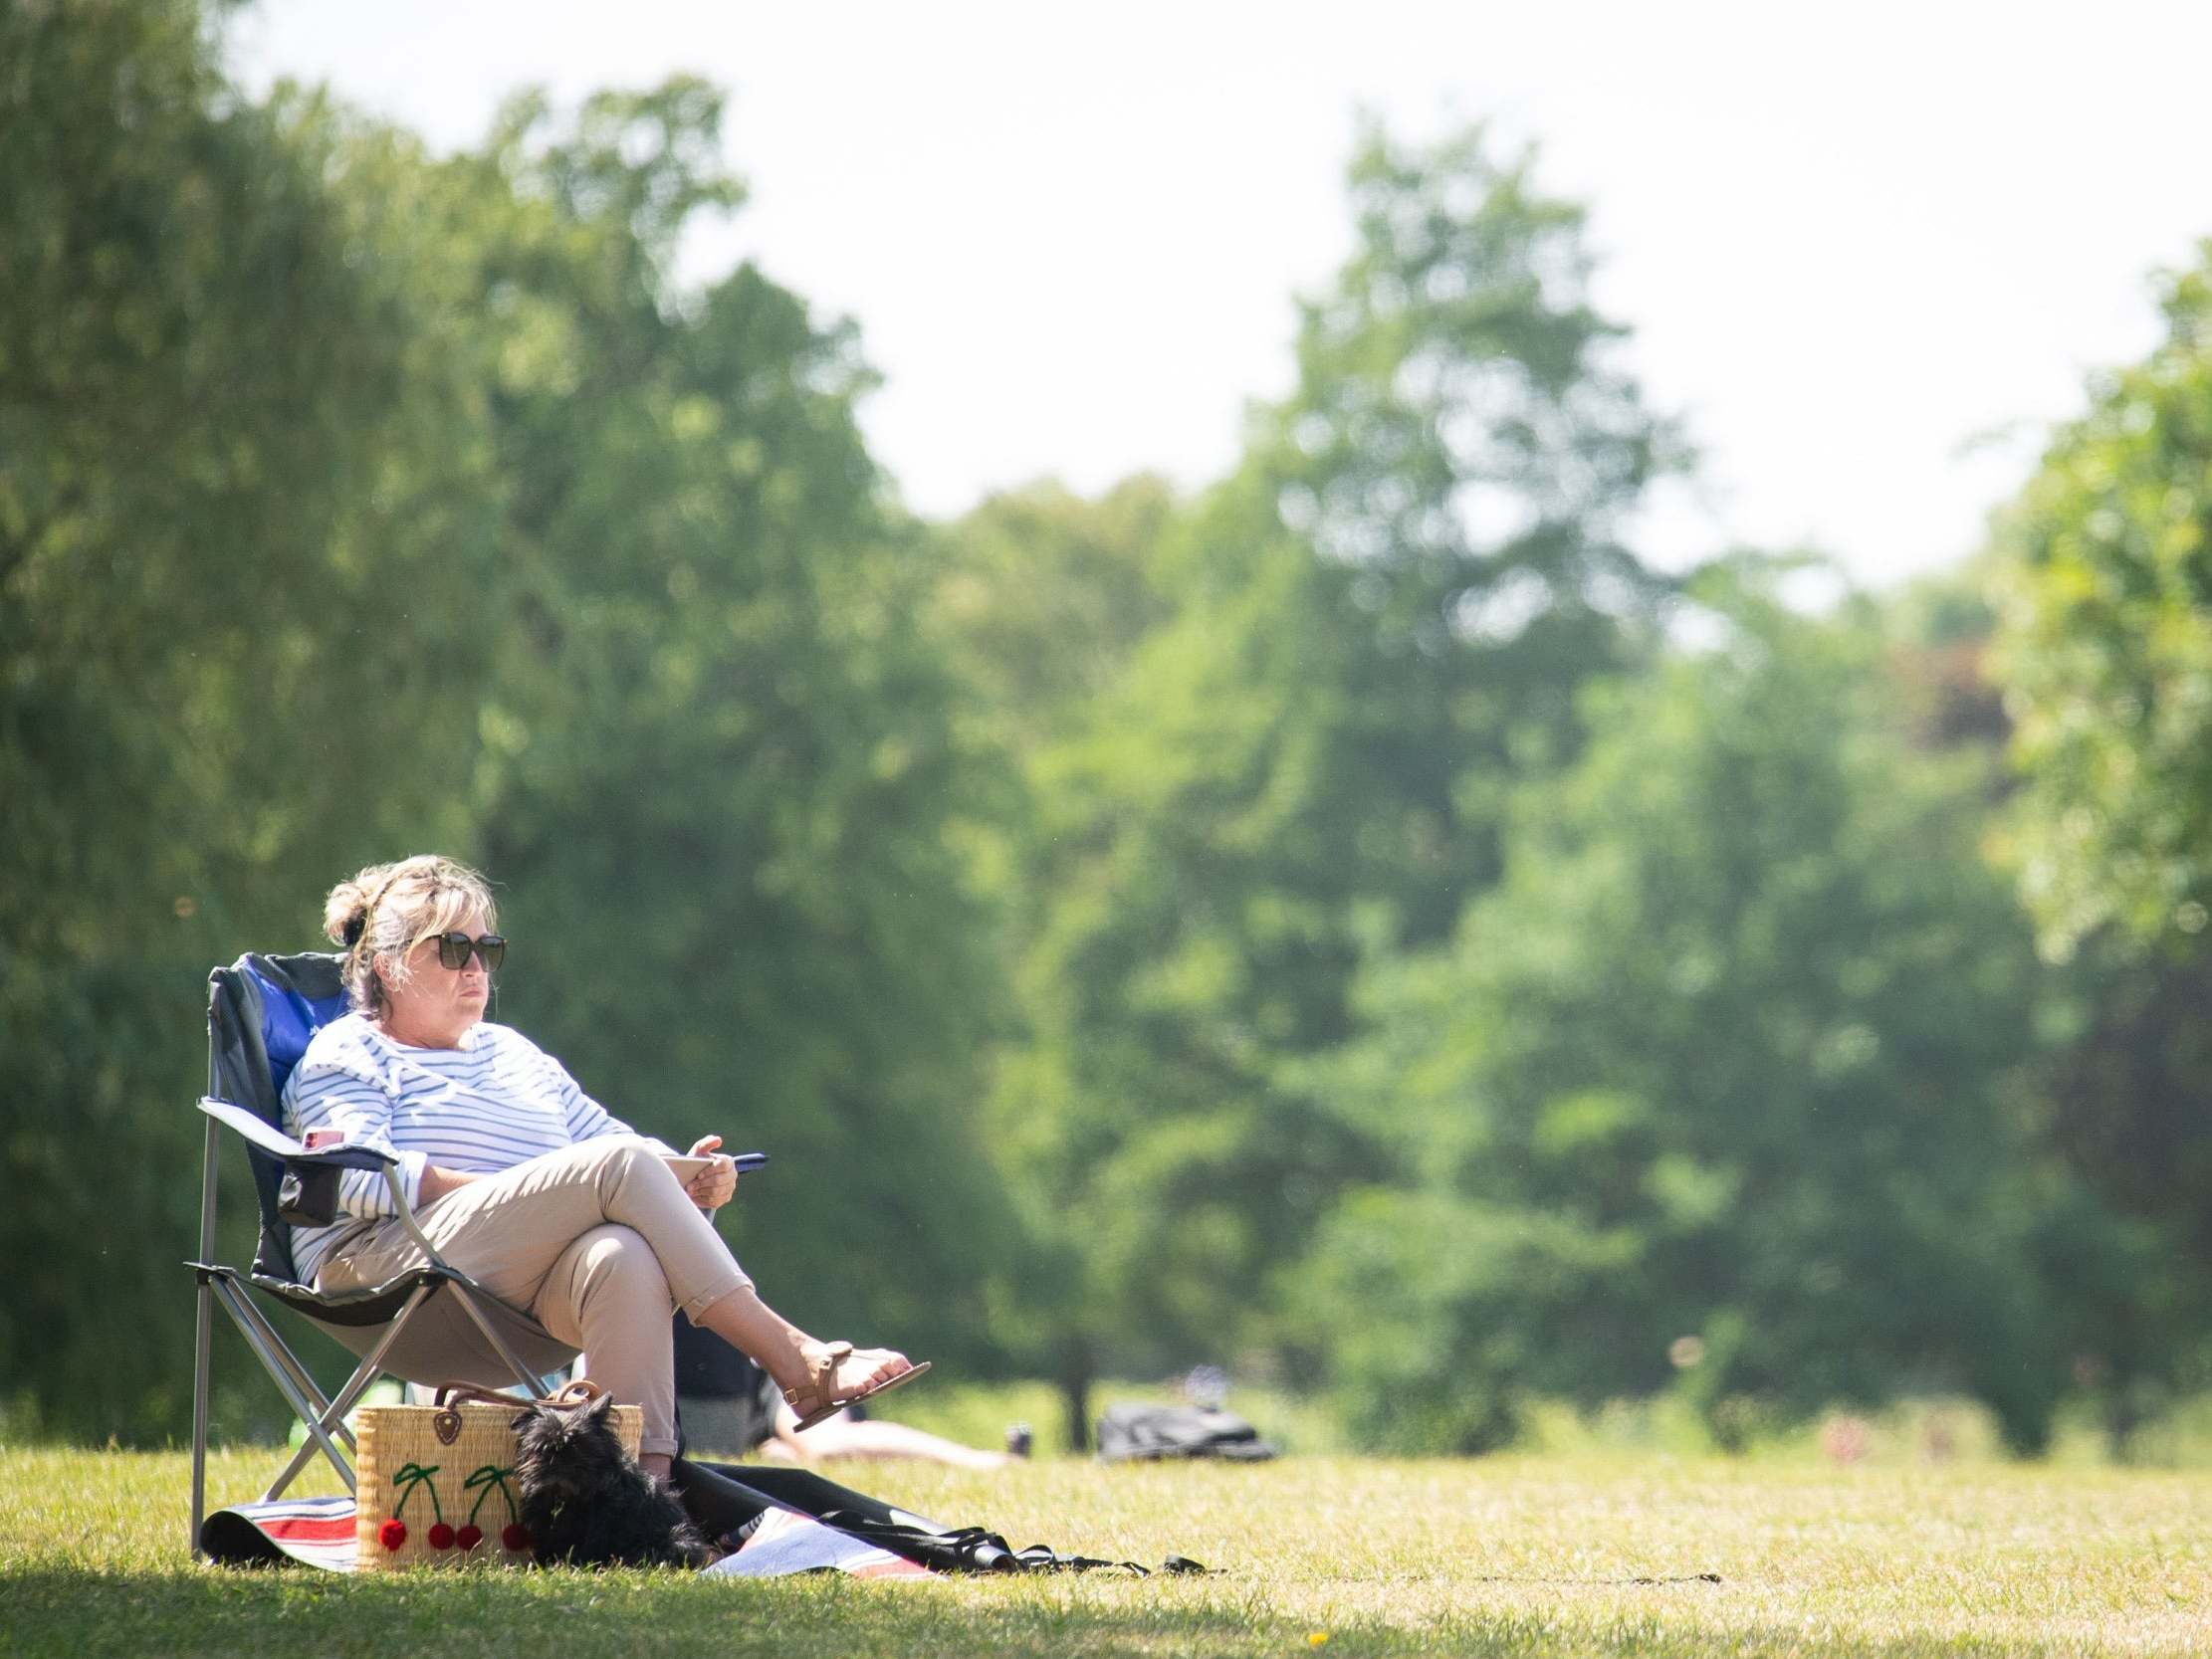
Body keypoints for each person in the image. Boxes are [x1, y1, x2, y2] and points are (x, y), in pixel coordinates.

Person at [279, 853, 923, 1485]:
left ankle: (637, 1496)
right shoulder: (347, 1049)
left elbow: (615, 1145)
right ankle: (797, 1359)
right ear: (389, 965)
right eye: (451, 949)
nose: (476, 968)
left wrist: (689, 1175)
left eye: (487, 949)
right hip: (387, 1275)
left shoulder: (513, 1055)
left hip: (507, 1290)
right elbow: (351, 1177)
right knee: (617, 1172)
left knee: (622, 1254)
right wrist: (522, 1192)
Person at [673, 1318, 1009, 1471]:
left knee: (827, 1443)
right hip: (700, 1395)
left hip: (745, 1377)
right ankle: (774, 1453)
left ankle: (979, 1461)